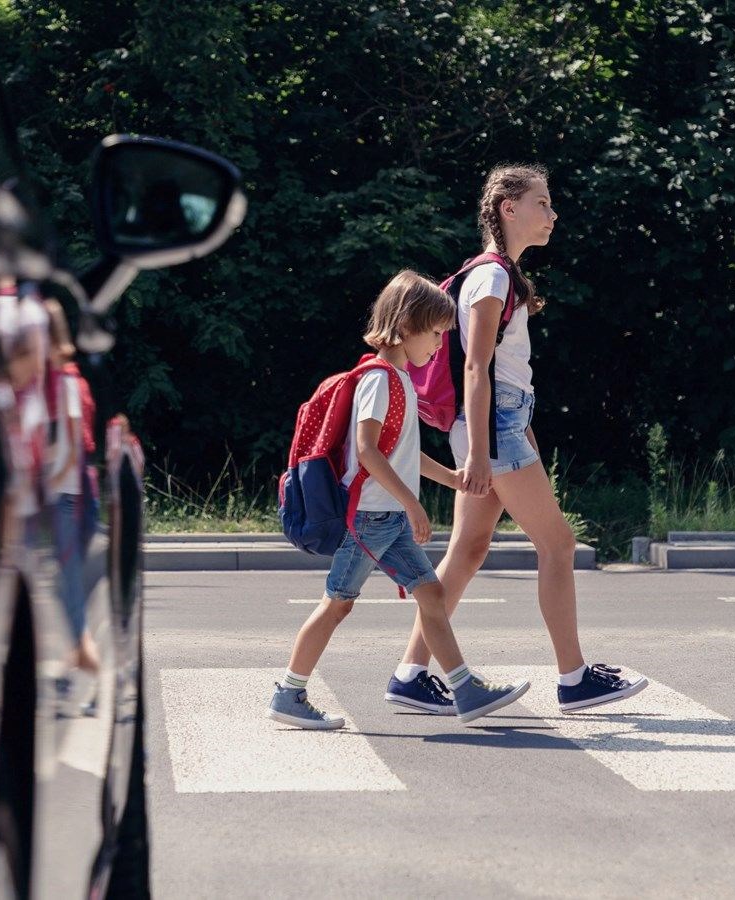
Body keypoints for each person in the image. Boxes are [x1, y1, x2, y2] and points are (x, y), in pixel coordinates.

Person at [388, 165, 647, 716]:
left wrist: (511, 425)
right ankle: (574, 678)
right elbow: (476, 368)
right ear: (509, 208)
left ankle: (410, 673)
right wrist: (483, 450)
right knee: (557, 546)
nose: (552, 215)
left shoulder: (498, 276)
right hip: (492, 427)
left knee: (468, 550)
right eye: (542, 203)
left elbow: (497, 369)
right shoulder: (493, 278)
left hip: (500, 423)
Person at [267, 271, 530, 730]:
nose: (437, 347)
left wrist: (451, 478)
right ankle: (290, 693)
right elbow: (368, 450)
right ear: (406, 326)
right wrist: (413, 504)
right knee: (337, 604)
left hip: (384, 518)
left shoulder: (400, 380)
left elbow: (403, 453)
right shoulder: (378, 379)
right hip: (369, 519)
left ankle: (465, 689)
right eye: (434, 334)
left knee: (431, 594)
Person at [42, 301, 102, 687]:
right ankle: (78, 663)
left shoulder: (63, 382)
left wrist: (49, 481)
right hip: (72, 496)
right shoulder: (66, 379)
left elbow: (75, 443)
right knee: (67, 588)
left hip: (67, 498)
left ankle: (94, 669)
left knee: (68, 590)